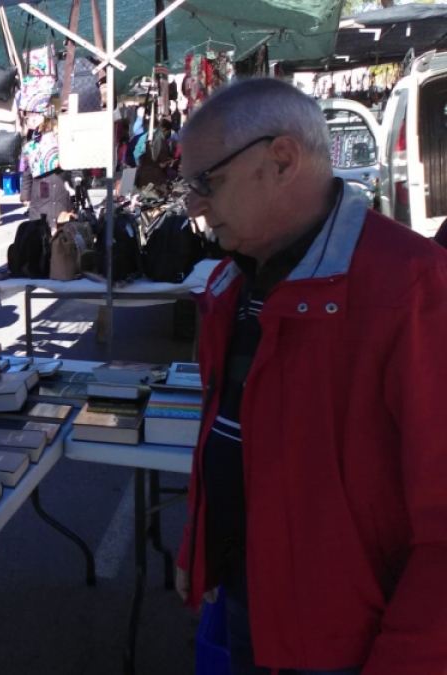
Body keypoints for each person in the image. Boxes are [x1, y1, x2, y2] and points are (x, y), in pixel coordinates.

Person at [175, 78, 447, 674]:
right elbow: (229, 435)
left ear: (281, 160)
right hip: (255, 598)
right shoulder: (234, 280)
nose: (193, 206)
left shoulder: (413, 287)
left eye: (206, 182)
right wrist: (200, 549)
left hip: (351, 636)